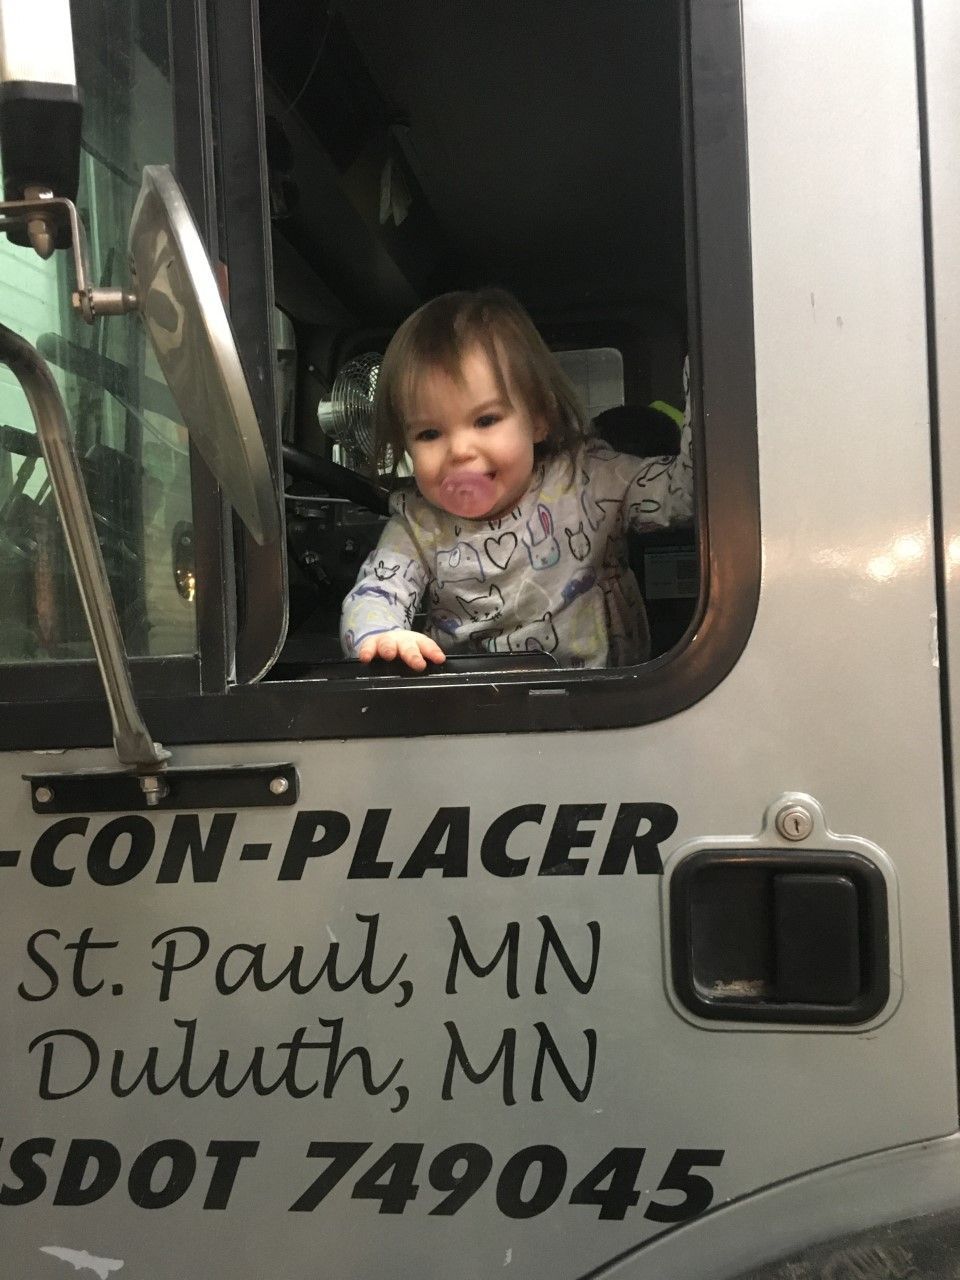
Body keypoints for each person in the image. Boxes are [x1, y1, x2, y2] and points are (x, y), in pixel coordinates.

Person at [340, 288, 692, 671]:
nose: (459, 450)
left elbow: (685, 493)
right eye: (429, 434)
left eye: (486, 420)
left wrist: (709, 382)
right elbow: (376, 592)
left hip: (603, 702)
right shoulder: (419, 523)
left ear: (538, 418)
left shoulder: (589, 480)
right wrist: (380, 636)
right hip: (480, 706)